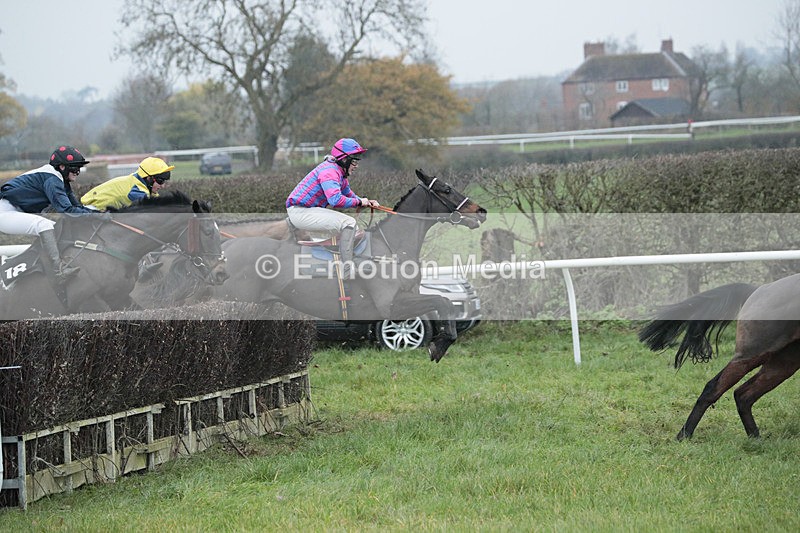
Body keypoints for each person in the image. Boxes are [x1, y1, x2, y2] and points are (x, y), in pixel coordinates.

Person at [286, 138, 380, 277]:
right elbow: (335, 200)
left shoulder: (339, 172)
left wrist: (366, 201)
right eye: (354, 161)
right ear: (344, 159)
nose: (356, 165)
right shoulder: (330, 171)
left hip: (308, 211)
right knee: (349, 223)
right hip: (301, 212)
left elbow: (348, 194)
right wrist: (360, 202)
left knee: (346, 225)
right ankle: (347, 270)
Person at [0, 145, 95, 281]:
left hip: (14, 210)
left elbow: (77, 207)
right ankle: (58, 270)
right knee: (44, 225)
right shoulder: (52, 179)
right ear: (62, 167)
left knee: (54, 227)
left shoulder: (60, 180)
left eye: (79, 168)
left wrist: (96, 212)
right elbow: (67, 210)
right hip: (4, 213)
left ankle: (48, 264)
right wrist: (97, 215)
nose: (77, 172)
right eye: (74, 167)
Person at [81, 156, 173, 211]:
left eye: (164, 181)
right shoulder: (137, 192)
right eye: (160, 181)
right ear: (149, 178)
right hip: (93, 210)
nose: (163, 185)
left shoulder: (138, 179)